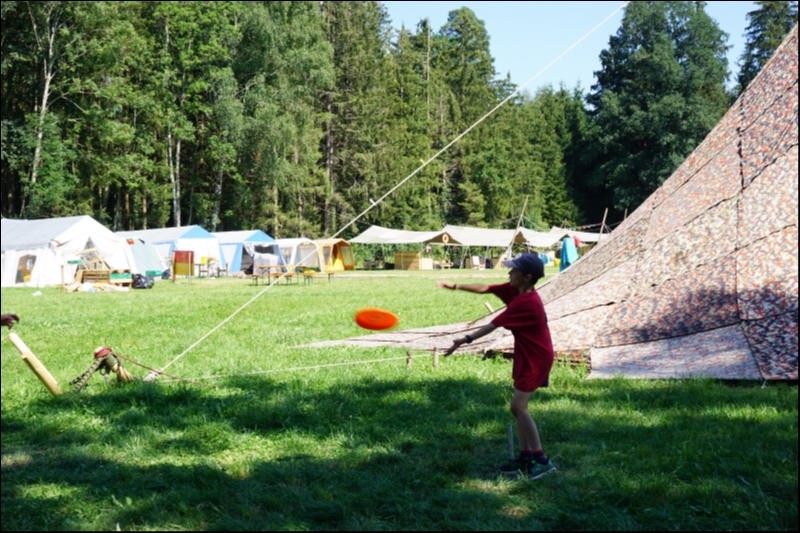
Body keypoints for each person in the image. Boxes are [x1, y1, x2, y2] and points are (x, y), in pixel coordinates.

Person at [437, 253, 555, 480]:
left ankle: (541, 460)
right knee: (518, 408)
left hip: (536, 357)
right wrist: (455, 286)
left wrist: (465, 339)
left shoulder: (525, 302)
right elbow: (486, 288)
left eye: (514, 270)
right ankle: (526, 456)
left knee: (518, 407)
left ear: (527, 277)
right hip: (527, 353)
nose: (509, 273)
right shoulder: (516, 290)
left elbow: (492, 325)